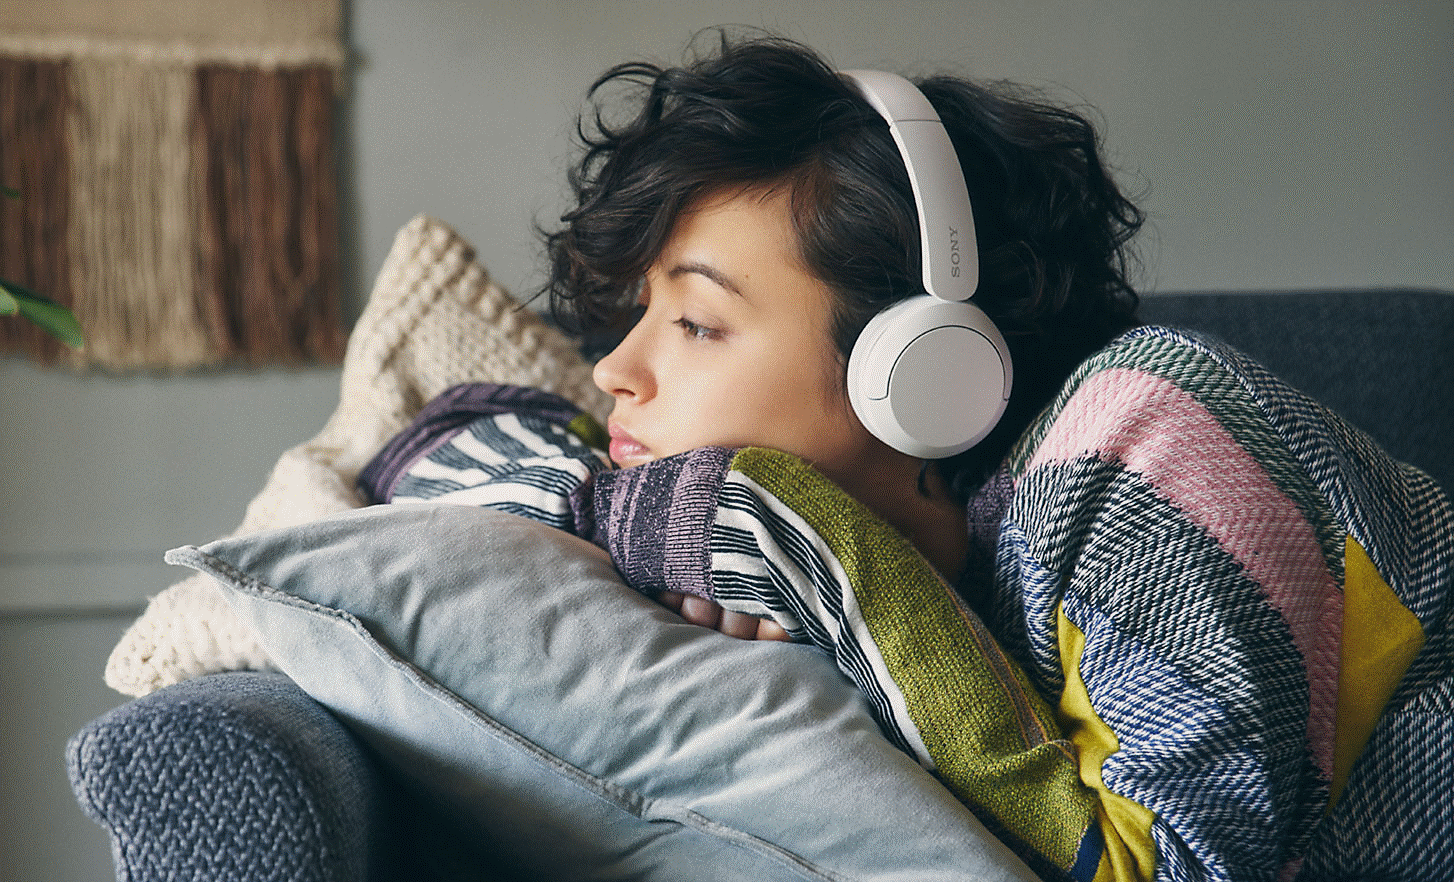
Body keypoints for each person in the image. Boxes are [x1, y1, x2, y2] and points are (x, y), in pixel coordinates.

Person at [361, 30, 1452, 882]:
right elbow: (425, 446)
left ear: (925, 368)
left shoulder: (1149, 439)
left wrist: (812, 551)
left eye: (694, 324)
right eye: (636, 316)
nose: (613, 373)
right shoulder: (939, 534)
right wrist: (709, 524)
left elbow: (1167, 867)